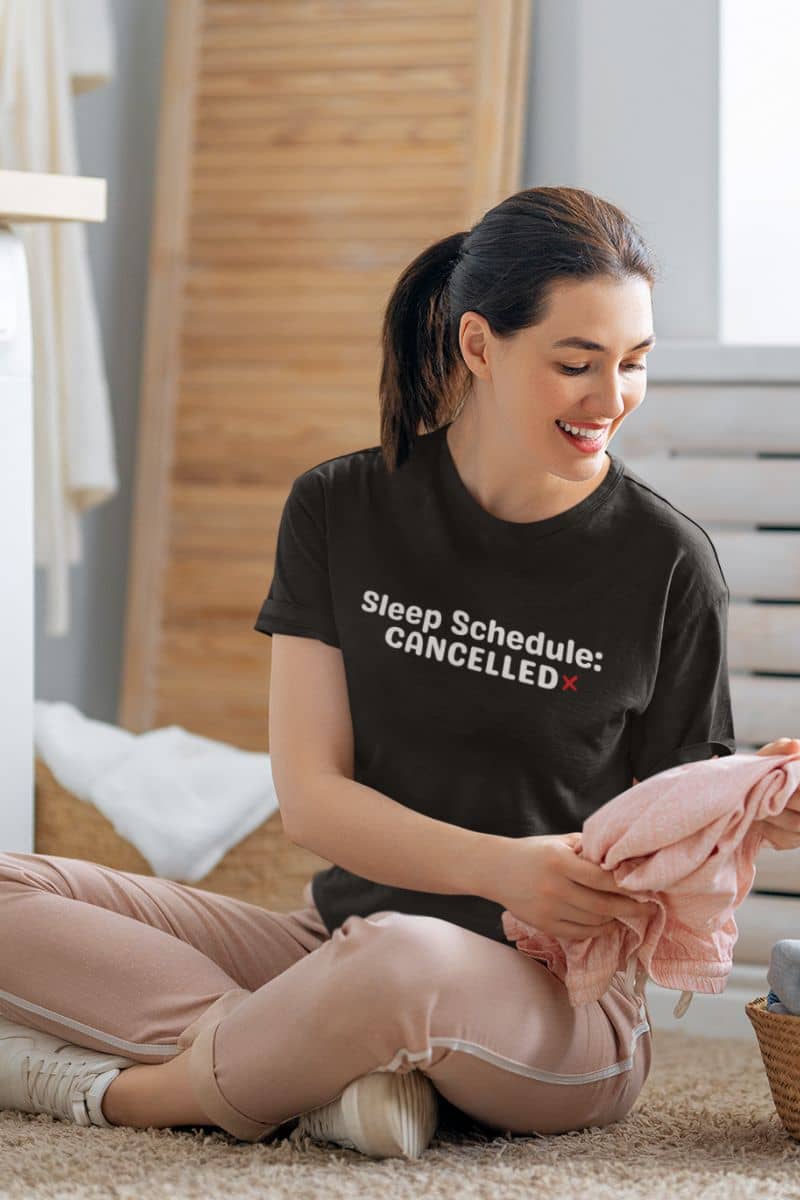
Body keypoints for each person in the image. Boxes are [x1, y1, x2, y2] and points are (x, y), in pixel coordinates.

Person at [5, 182, 777, 1159]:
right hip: (331, 945)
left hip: (559, 1003)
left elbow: (674, 839)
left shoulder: (665, 563)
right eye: (575, 364)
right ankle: (327, 1067)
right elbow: (312, 805)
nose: (609, 399)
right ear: (476, 345)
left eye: (632, 364)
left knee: (397, 962)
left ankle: (128, 1094)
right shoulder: (339, 508)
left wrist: (745, 813)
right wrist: (503, 867)